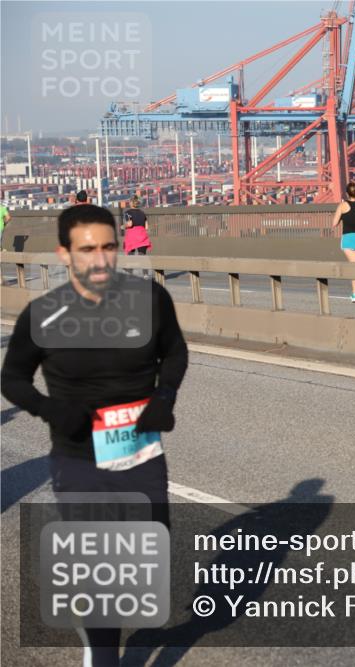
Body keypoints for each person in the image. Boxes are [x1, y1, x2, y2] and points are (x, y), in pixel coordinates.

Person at [1, 203, 188, 667]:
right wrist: (48, 409)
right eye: (88, 250)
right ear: (65, 254)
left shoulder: (150, 300)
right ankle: (102, 652)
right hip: (78, 456)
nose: (100, 259)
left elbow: (176, 352)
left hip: (139, 452)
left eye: (109, 247)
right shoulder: (43, 313)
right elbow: (13, 379)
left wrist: (165, 396)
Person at [122, 196, 152, 278]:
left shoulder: (127, 212)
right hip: (142, 235)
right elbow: (146, 227)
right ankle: (145, 274)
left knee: (131, 254)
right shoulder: (142, 213)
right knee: (142, 255)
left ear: (131, 203)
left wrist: (123, 226)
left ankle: (129, 271)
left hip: (132, 236)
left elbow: (130, 224)